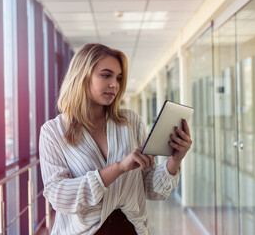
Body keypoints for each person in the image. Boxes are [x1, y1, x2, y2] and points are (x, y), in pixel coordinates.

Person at [39, 43, 192, 235]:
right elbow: (58, 196)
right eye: (106, 75)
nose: (115, 84)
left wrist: (175, 160)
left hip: (130, 229)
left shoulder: (130, 122)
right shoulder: (53, 131)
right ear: (82, 76)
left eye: (119, 78)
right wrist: (118, 168)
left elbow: (150, 188)